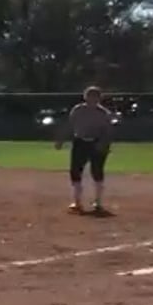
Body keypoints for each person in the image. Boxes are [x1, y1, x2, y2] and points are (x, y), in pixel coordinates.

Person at [56, 85, 116, 217]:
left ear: (99, 98)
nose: (92, 99)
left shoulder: (103, 113)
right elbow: (70, 125)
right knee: (75, 171)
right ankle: (77, 202)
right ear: (85, 97)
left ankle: (98, 202)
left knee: (97, 172)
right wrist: (61, 139)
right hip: (80, 142)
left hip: (97, 142)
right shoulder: (78, 110)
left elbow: (108, 131)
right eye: (89, 96)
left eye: (95, 96)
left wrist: (104, 144)